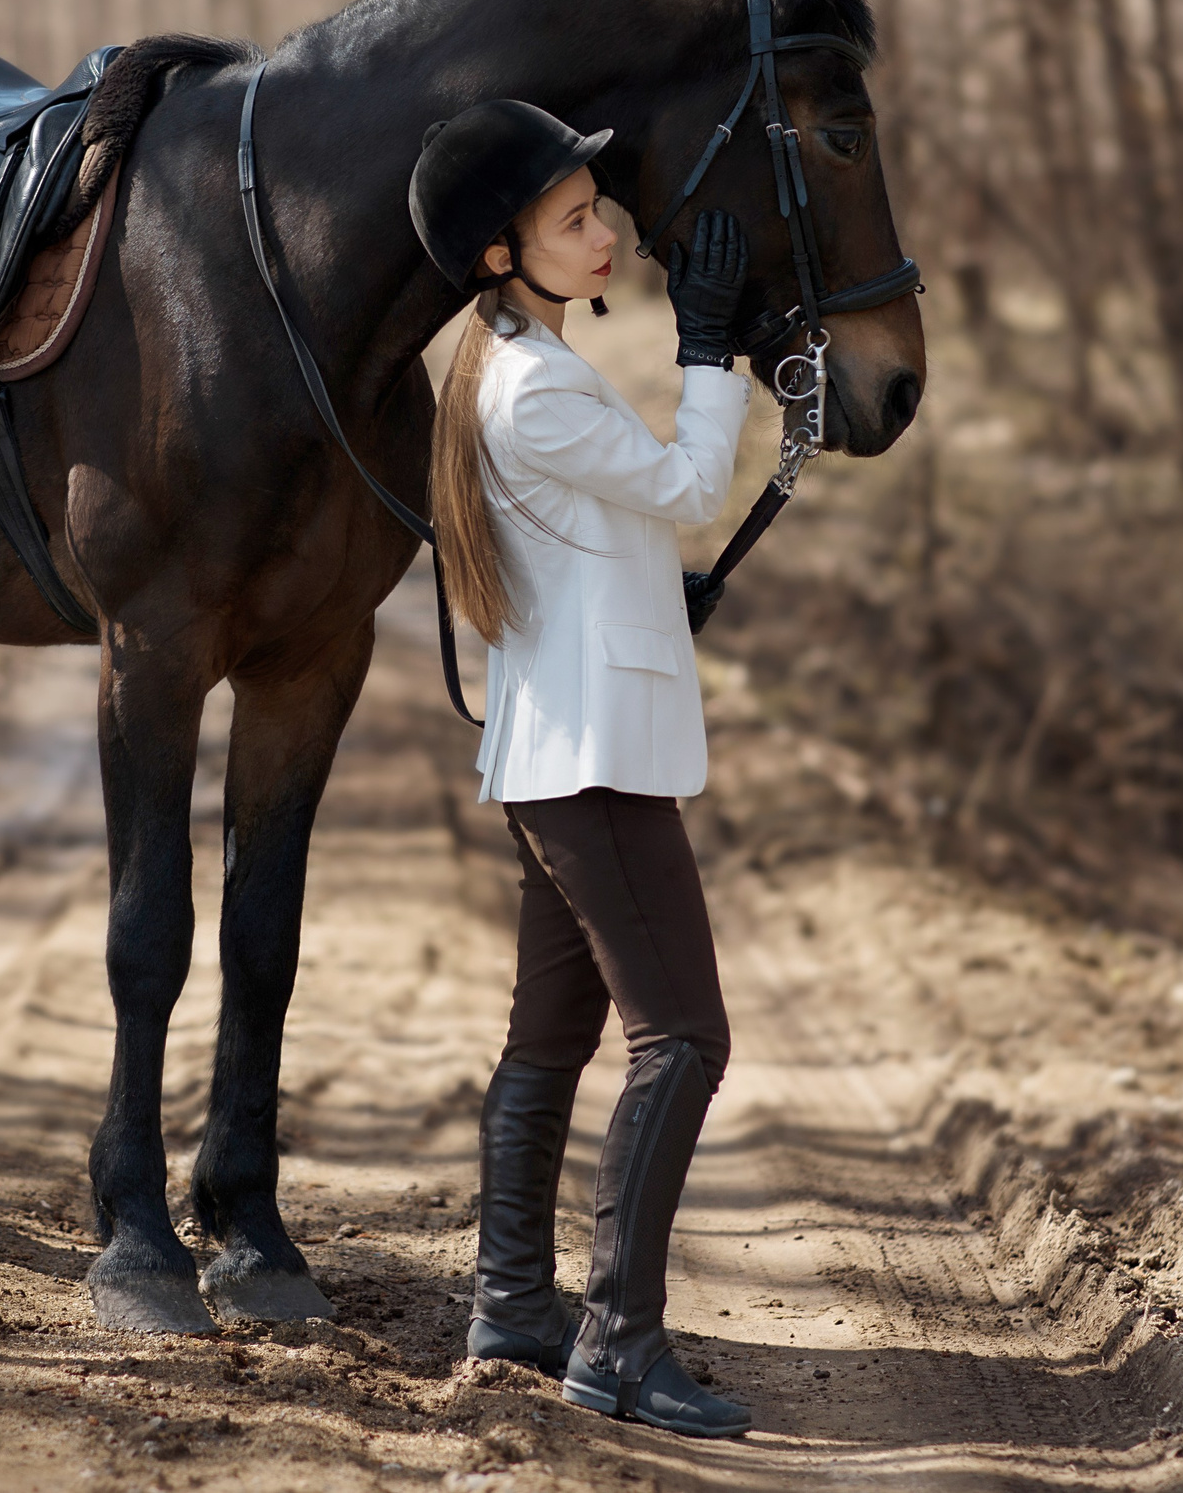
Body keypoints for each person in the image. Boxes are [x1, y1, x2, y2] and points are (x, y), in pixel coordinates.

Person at [407, 100, 753, 1439]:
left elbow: (598, 539)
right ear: (502, 255)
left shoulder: (508, 360)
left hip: (563, 749)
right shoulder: (535, 383)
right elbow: (686, 486)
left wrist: (660, 597)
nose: (603, 230)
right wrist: (712, 344)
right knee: (684, 1042)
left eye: (597, 207)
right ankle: (619, 1340)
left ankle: (514, 1303)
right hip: (592, 764)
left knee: (547, 1043)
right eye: (572, 219)